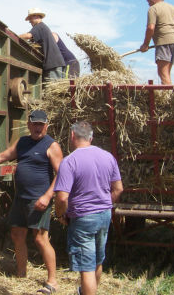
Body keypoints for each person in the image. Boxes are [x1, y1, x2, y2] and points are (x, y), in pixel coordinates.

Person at [0, 109, 63, 294]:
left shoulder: (51, 145)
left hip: (38, 200)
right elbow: (2, 156)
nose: (38, 128)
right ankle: (21, 273)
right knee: (16, 234)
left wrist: (47, 196)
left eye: (41, 124)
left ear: (47, 125)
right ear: (29, 124)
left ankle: (52, 281)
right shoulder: (23, 142)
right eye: (35, 124)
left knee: (40, 239)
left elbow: (62, 174)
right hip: (20, 198)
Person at [54, 121, 123, 295]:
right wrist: (104, 203)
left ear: (72, 136)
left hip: (83, 218)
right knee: (97, 261)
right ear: (91, 137)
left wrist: (60, 214)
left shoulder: (69, 162)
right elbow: (118, 189)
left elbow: (62, 197)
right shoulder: (108, 157)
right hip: (104, 215)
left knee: (86, 268)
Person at [20, 8, 66, 82]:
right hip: (57, 64)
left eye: (30, 19)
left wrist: (15, 36)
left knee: (52, 89)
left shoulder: (39, 26)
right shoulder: (43, 27)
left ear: (36, 16)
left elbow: (28, 36)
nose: (29, 22)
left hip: (53, 64)